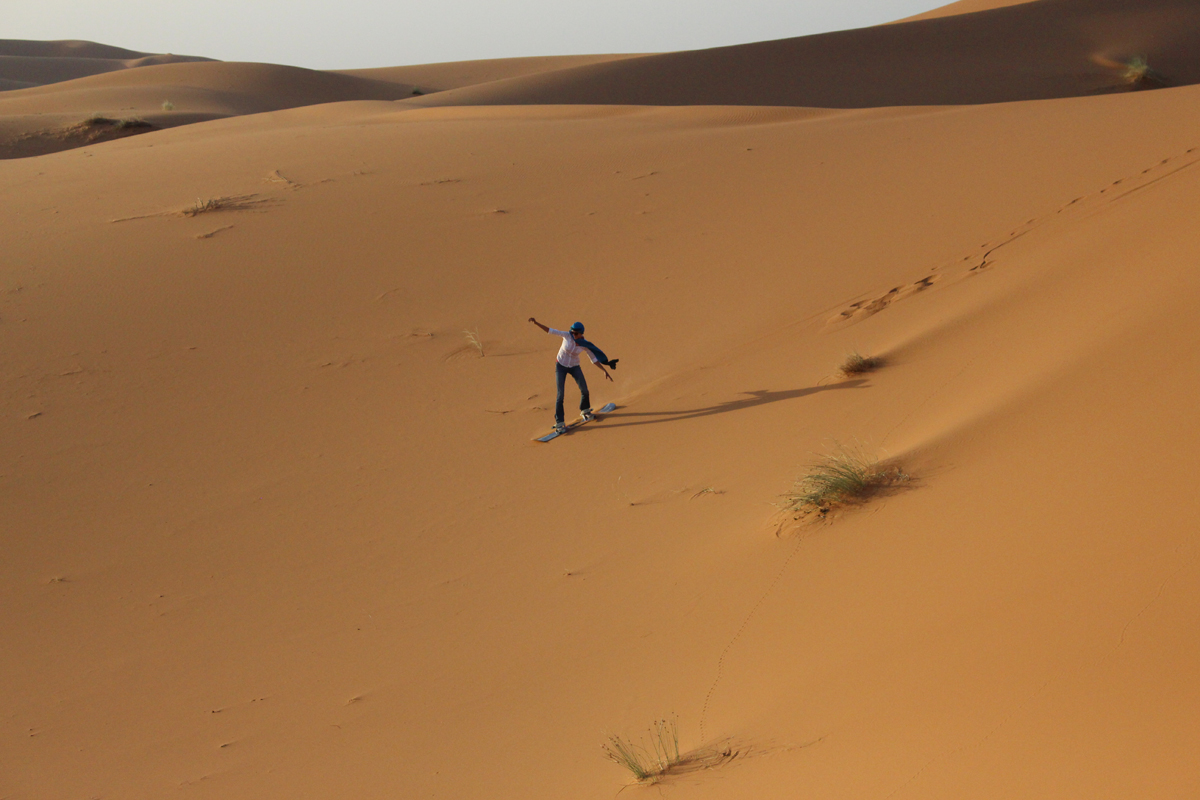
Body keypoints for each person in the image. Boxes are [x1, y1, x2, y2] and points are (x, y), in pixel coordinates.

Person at [528, 317, 614, 434]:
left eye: (576, 333)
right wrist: (536, 323)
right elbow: (550, 331)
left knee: (584, 390)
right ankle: (560, 423)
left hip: (574, 367)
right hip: (561, 366)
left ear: (581, 334)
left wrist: (604, 370)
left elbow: (593, 358)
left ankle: (585, 411)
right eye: (572, 332)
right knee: (560, 395)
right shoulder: (566, 335)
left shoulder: (584, 344)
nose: (573, 334)